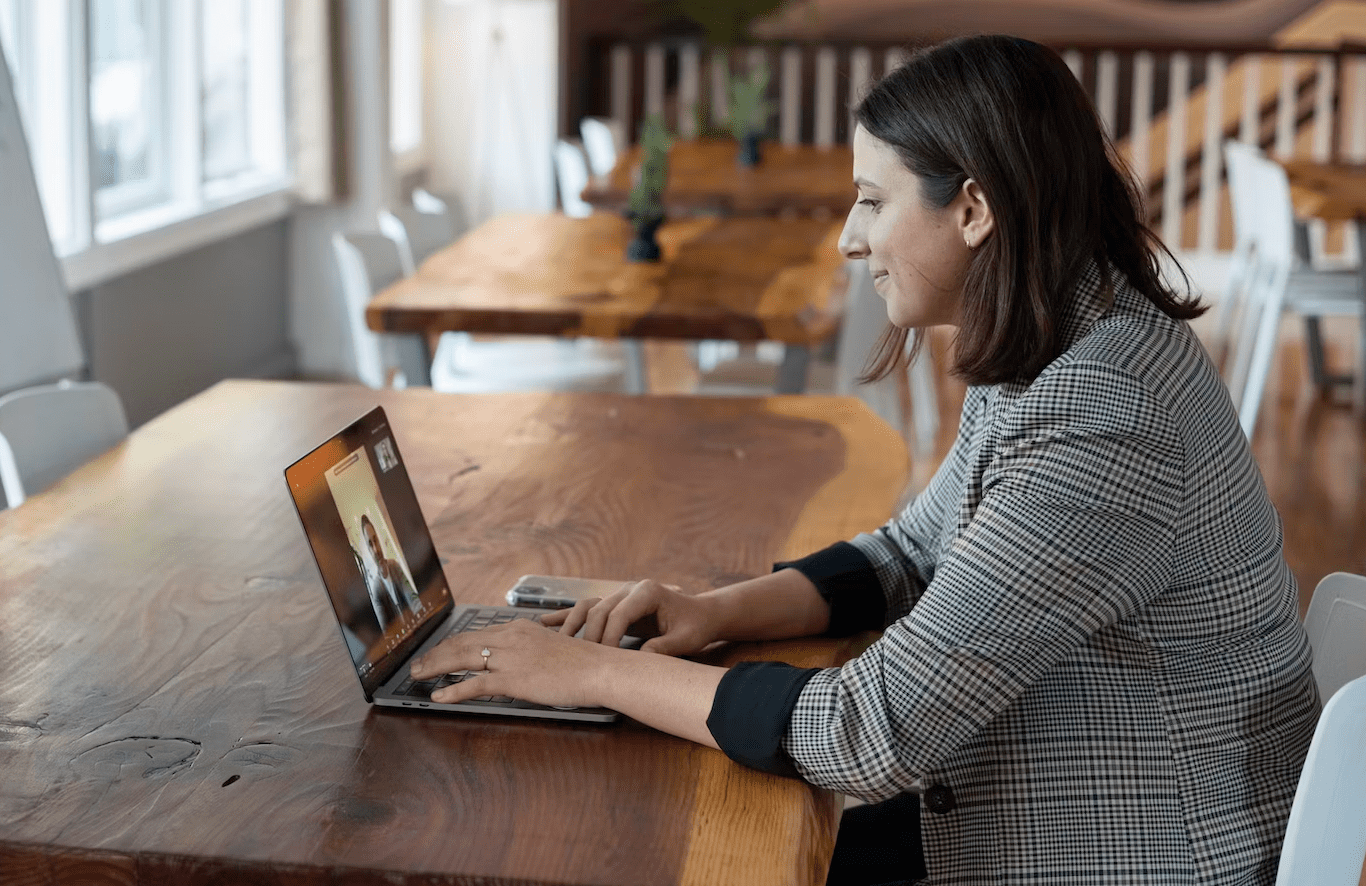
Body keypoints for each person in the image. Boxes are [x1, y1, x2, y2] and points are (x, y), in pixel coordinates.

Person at [411, 35, 1318, 886]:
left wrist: (589, 676)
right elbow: (909, 554)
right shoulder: (1061, 333)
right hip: (1067, 812)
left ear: (972, 209)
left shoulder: (1106, 409)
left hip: (1147, 853)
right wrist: (710, 611)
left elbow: (872, 732)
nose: (849, 237)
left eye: (873, 201)